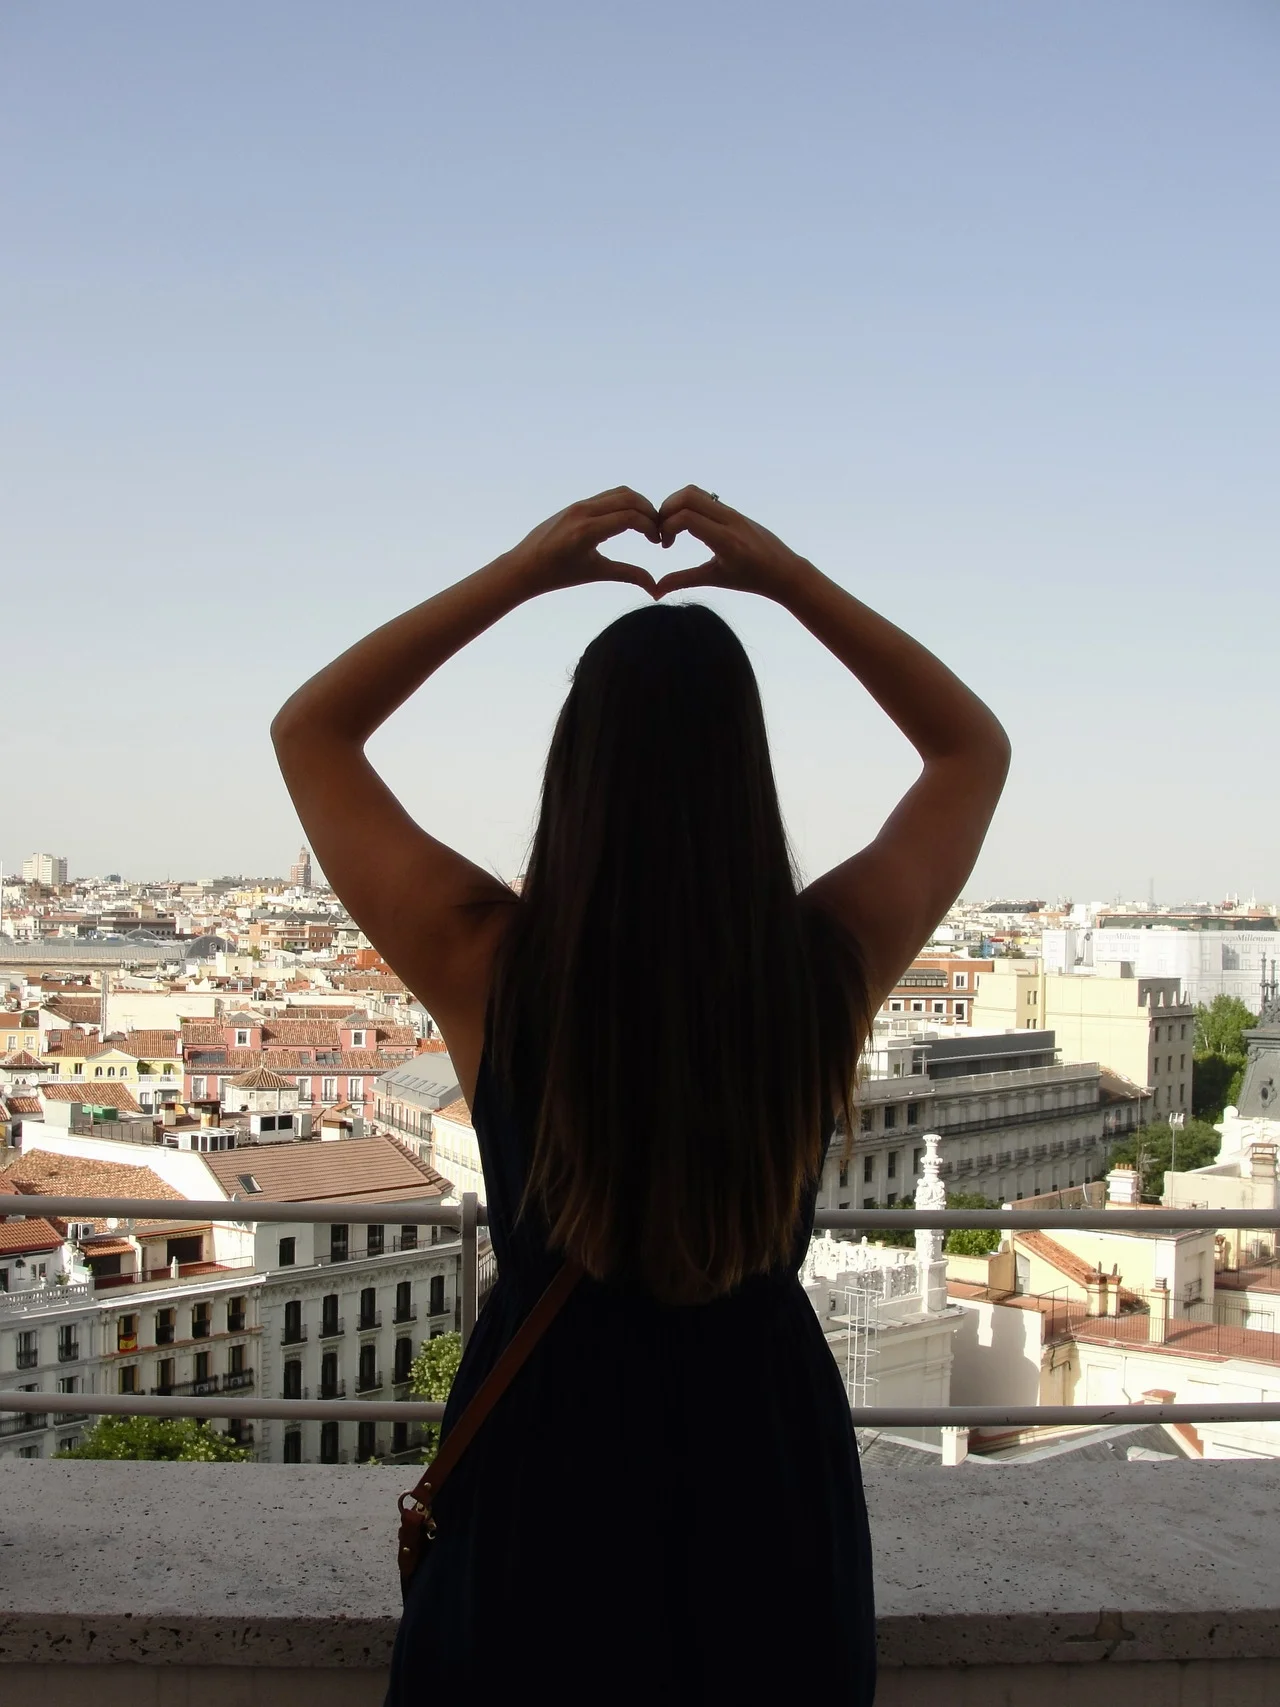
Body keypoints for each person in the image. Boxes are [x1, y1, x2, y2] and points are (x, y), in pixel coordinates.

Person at [271, 485, 1010, 1705]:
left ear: (574, 768)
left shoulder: (486, 960)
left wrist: (517, 573)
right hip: (762, 1447)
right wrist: (785, 576)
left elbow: (313, 733)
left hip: (548, 1445)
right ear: (748, 777)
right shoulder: (820, 966)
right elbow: (968, 751)